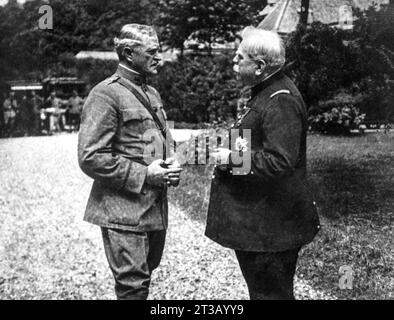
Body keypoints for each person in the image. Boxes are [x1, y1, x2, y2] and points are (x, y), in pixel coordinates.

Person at [206, 27, 321, 300]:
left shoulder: (280, 100)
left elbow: (280, 162)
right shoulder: (266, 92)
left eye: (239, 57)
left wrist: (231, 160)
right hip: (264, 225)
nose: (234, 62)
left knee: (271, 296)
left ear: (259, 66)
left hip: (272, 227)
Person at [78, 23, 182, 300]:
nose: (159, 58)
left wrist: (171, 163)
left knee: (145, 276)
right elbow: (90, 156)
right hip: (122, 211)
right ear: (128, 53)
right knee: (133, 287)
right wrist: (145, 175)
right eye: (152, 52)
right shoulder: (105, 95)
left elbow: (157, 141)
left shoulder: (151, 93)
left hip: (152, 207)